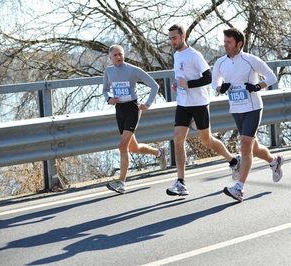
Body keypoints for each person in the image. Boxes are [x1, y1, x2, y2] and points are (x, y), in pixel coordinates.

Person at [166, 24, 240, 196]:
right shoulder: (177, 55)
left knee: (206, 140)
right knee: (178, 139)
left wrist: (189, 84)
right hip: (183, 103)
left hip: (199, 103)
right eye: (170, 38)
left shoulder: (194, 55)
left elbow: (208, 77)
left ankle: (233, 160)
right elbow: (183, 78)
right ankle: (181, 182)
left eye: (174, 38)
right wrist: (178, 85)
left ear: (183, 36)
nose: (172, 41)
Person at [212, 28, 284, 202]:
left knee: (244, 145)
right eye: (224, 41)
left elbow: (271, 76)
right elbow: (215, 81)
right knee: (253, 148)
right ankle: (274, 161)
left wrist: (258, 86)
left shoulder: (251, 60)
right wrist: (220, 88)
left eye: (228, 42)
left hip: (252, 108)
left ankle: (239, 188)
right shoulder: (221, 62)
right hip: (236, 109)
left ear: (239, 44)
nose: (225, 45)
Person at [103, 44, 167, 194]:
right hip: (119, 110)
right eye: (115, 55)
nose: (119, 57)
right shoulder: (108, 71)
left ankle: (122, 183)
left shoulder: (133, 70)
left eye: (121, 54)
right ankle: (159, 153)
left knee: (122, 146)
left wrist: (148, 103)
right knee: (133, 148)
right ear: (110, 58)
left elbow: (154, 85)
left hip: (133, 109)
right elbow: (105, 90)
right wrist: (109, 99)